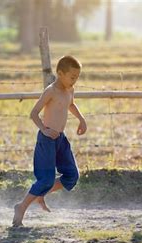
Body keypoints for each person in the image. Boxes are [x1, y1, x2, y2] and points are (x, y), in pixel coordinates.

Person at [13, 55, 87, 227]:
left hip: (61, 140)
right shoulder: (51, 91)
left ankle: (41, 194)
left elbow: (71, 104)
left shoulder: (70, 90)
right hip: (47, 140)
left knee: (72, 176)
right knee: (46, 179)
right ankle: (21, 207)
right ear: (60, 73)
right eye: (72, 77)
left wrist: (81, 119)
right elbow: (34, 113)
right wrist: (44, 130)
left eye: (77, 77)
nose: (75, 81)